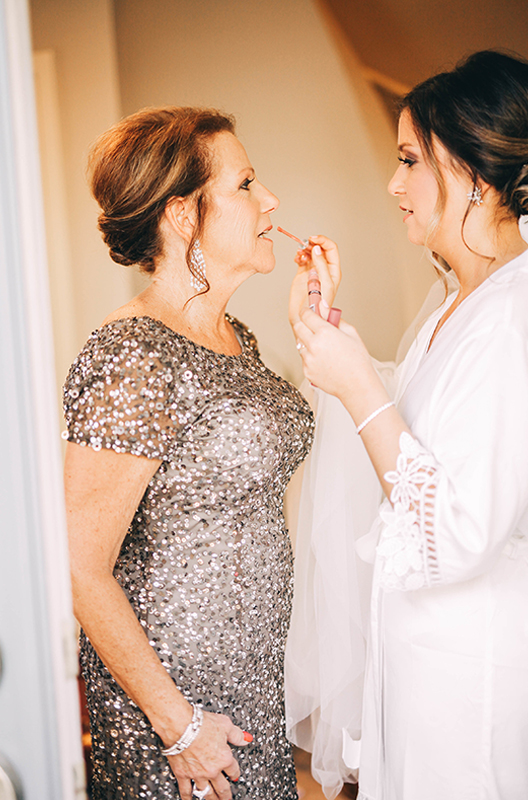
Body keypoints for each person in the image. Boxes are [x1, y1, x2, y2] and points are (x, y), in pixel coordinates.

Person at [287, 51, 528, 800]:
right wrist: (338, 345)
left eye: (408, 160)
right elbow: (420, 432)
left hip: (474, 676)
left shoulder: (515, 314)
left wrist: (358, 385)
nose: (392, 183)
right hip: (426, 664)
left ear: (473, 175)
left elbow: (456, 529)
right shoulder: (460, 304)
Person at [63, 106, 314, 800]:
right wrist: (178, 726)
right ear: (183, 216)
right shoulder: (133, 352)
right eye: (246, 185)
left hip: (253, 691)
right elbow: (80, 566)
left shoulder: (238, 336)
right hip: (178, 716)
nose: (271, 202)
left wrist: (317, 329)